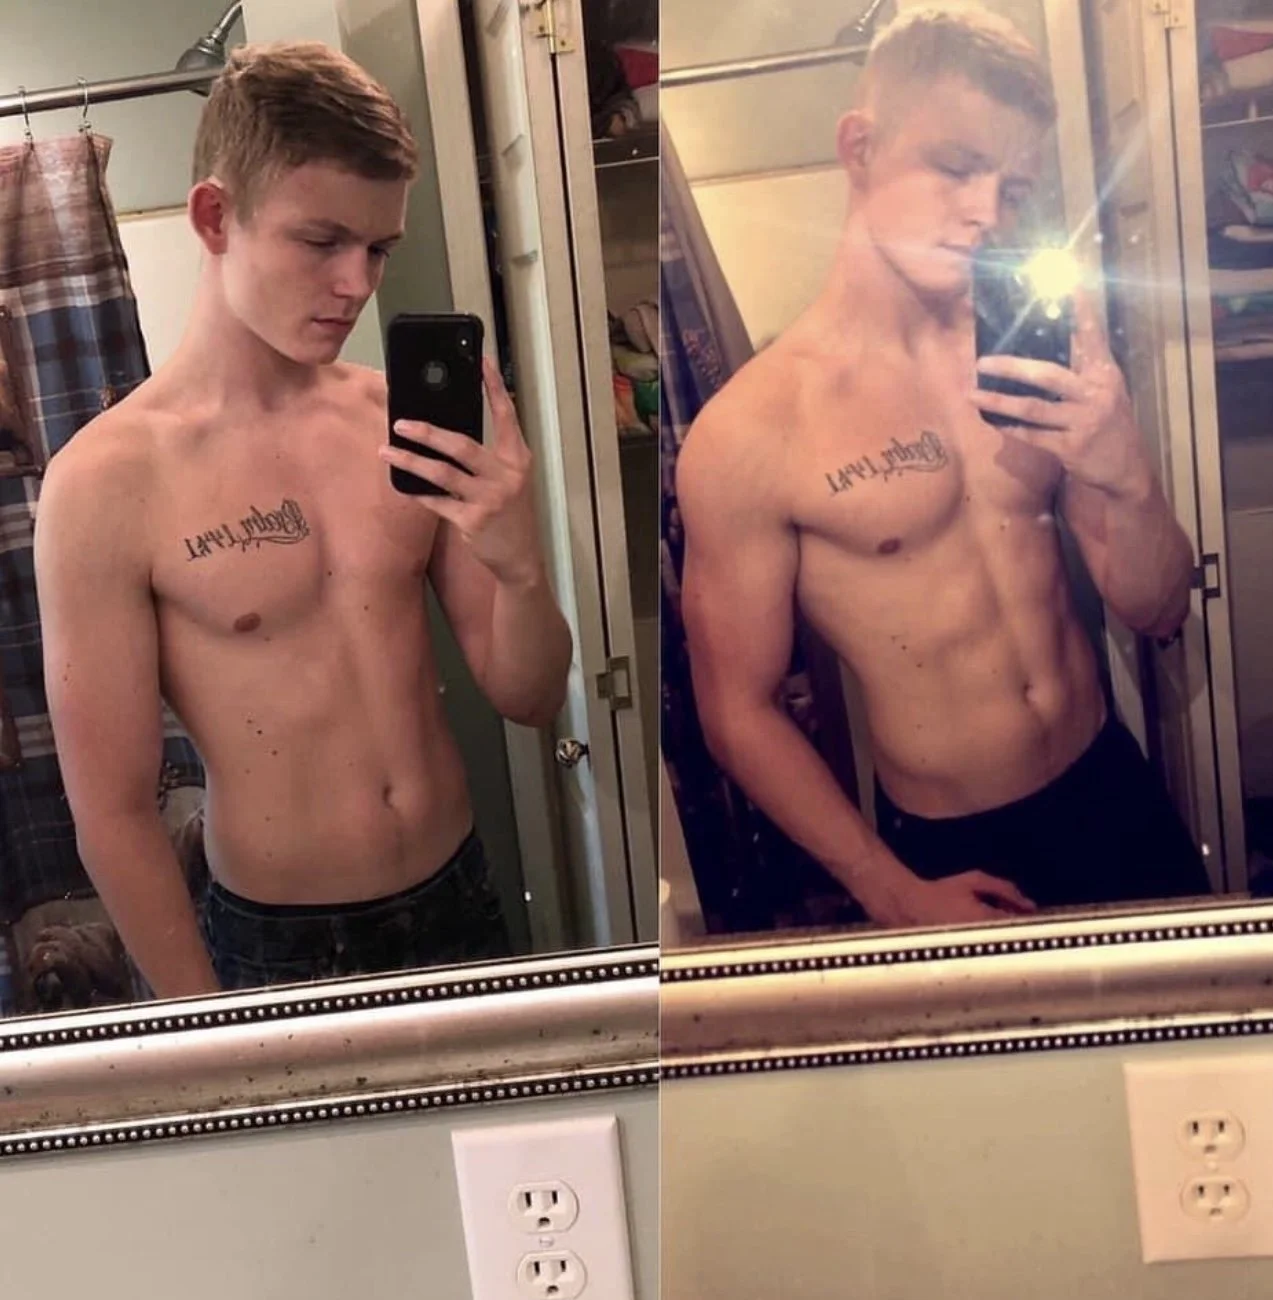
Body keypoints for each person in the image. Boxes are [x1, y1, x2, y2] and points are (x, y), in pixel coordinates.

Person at [35, 41, 572, 996]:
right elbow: (113, 813)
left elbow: (529, 696)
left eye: (378, 248)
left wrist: (522, 566)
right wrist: (205, 1027)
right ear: (215, 216)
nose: (358, 283)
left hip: (459, 890)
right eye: (322, 242)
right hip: (278, 941)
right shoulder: (105, 483)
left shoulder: (396, 423)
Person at [675, 6, 1211, 929]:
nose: (985, 213)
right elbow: (735, 707)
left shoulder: (1038, 360)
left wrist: (1125, 469)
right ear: (860, 147)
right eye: (957, 167)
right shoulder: (748, 432)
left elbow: (1157, 610)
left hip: (1110, 785)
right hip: (950, 848)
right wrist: (884, 885)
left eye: (1012, 187)